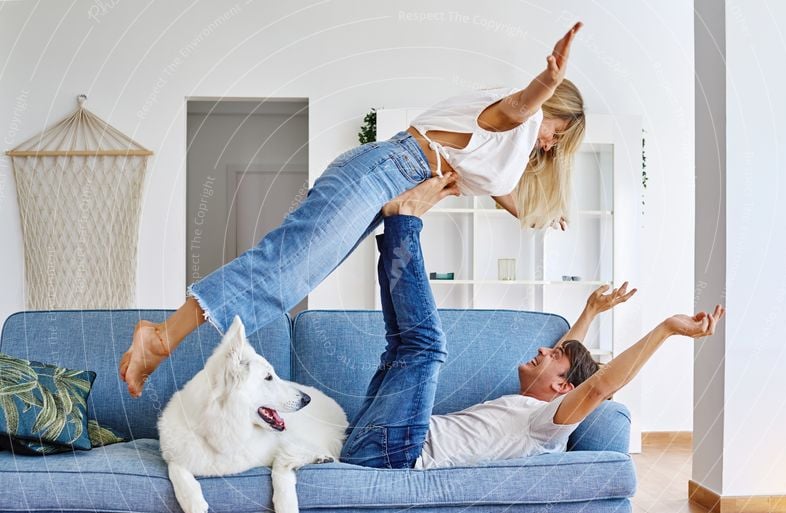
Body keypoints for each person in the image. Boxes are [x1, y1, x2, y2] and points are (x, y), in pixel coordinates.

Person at [120, 22, 586, 397]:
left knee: (292, 279)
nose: (549, 146)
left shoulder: (502, 149)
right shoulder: (508, 115)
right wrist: (548, 80)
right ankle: (159, 339)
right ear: (549, 107)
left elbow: (492, 184)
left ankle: (160, 338)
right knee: (283, 269)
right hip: (383, 171)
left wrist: (529, 213)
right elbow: (522, 106)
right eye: (557, 132)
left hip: (385, 185)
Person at [340, 177, 725, 469]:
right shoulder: (529, 404)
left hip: (395, 454)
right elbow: (569, 359)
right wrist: (589, 311)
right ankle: (397, 225)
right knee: (401, 345)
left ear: (562, 386)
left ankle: (402, 223)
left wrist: (667, 329)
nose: (542, 348)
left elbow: (597, 387)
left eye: (552, 354)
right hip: (373, 437)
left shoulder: (546, 425)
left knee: (424, 347)